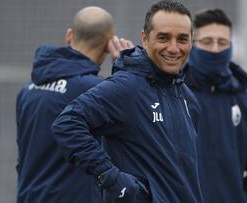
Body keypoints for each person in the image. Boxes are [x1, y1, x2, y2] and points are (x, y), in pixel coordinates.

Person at [51, 1, 203, 203]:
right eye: (163, 38)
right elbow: (67, 123)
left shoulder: (188, 99)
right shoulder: (127, 87)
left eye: (182, 39)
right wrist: (111, 178)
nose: (173, 48)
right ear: (145, 38)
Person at [16, 6, 133, 203]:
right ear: (108, 44)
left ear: (69, 35)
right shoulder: (98, 92)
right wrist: (128, 68)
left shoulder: (28, 90)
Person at [184, 8, 247, 203]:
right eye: (207, 42)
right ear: (192, 44)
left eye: (222, 42)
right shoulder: (173, 95)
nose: (216, 49)